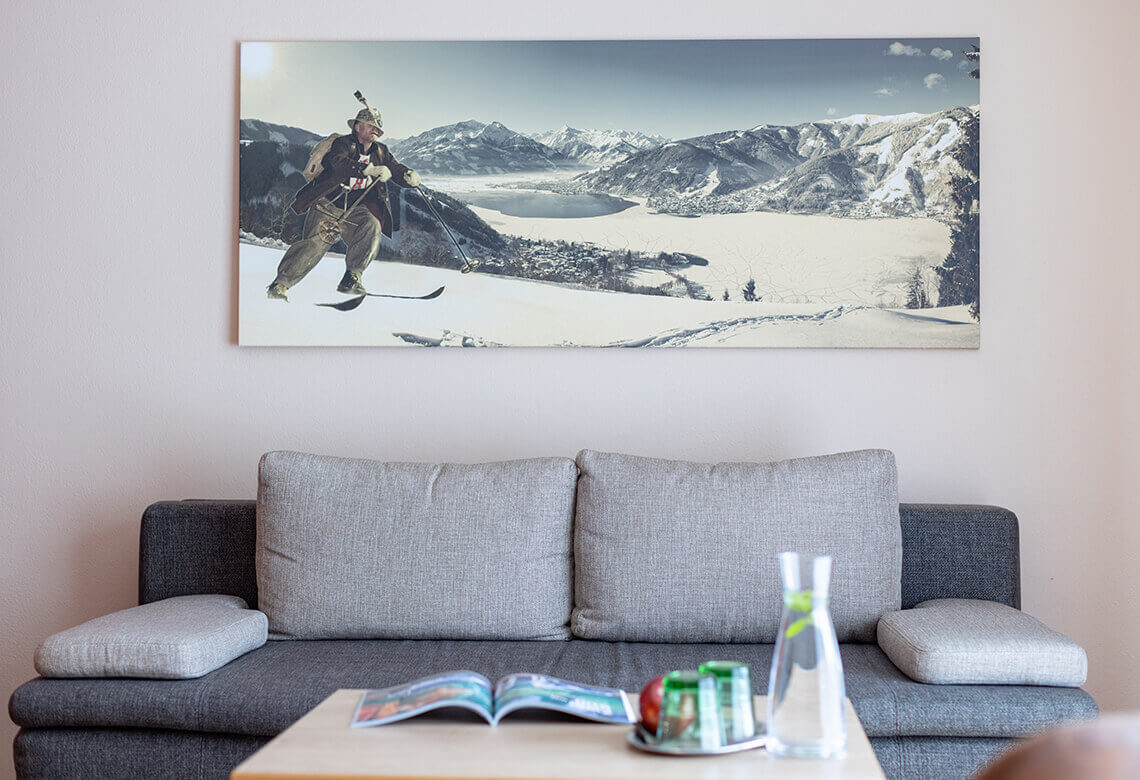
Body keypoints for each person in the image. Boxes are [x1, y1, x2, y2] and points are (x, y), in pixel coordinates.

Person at [267, 107, 421, 300]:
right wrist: (366, 170)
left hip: (355, 209)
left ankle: (352, 277)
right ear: (357, 126)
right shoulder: (343, 143)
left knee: (371, 225)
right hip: (328, 205)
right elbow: (337, 162)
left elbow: (395, 168)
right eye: (371, 126)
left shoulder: (381, 151)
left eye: (378, 128)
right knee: (315, 245)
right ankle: (280, 285)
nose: (376, 131)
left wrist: (408, 176)